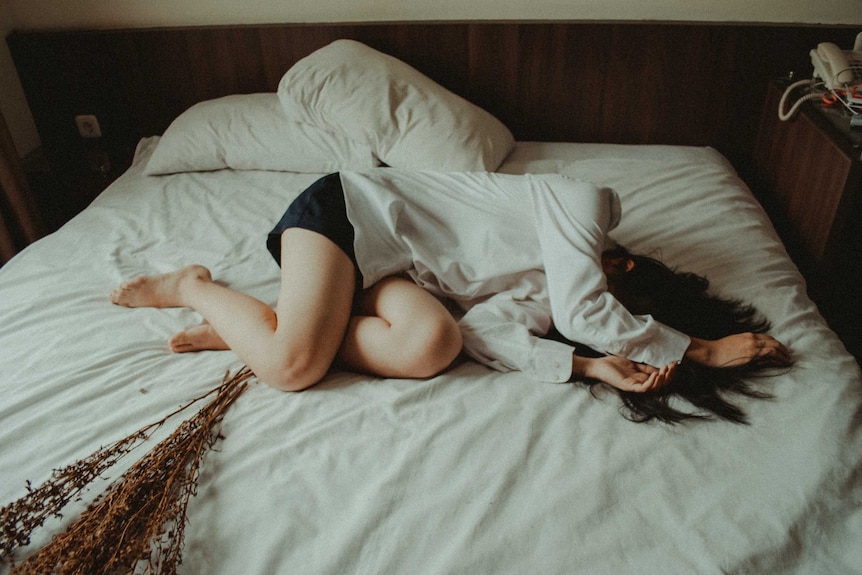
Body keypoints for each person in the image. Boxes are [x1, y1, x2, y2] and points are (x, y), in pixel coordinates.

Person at [110, 170, 790, 422]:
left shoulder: (548, 299)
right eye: (617, 289)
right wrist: (696, 348)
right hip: (354, 214)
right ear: (621, 260)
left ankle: (252, 328)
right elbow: (591, 310)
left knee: (436, 341)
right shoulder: (580, 205)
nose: (592, 299)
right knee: (294, 367)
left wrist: (586, 365)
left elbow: (484, 335)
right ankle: (195, 287)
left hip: (395, 274)